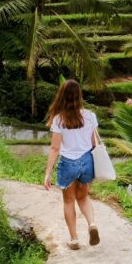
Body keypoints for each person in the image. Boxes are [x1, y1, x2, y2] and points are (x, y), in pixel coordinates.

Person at [43, 79, 100, 250]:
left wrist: (48, 173)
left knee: (69, 202)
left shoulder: (59, 120)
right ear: (79, 96)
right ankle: (92, 224)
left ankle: (74, 239)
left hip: (68, 164)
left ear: (62, 96)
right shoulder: (90, 116)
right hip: (87, 161)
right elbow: (94, 143)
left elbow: (55, 148)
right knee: (83, 197)